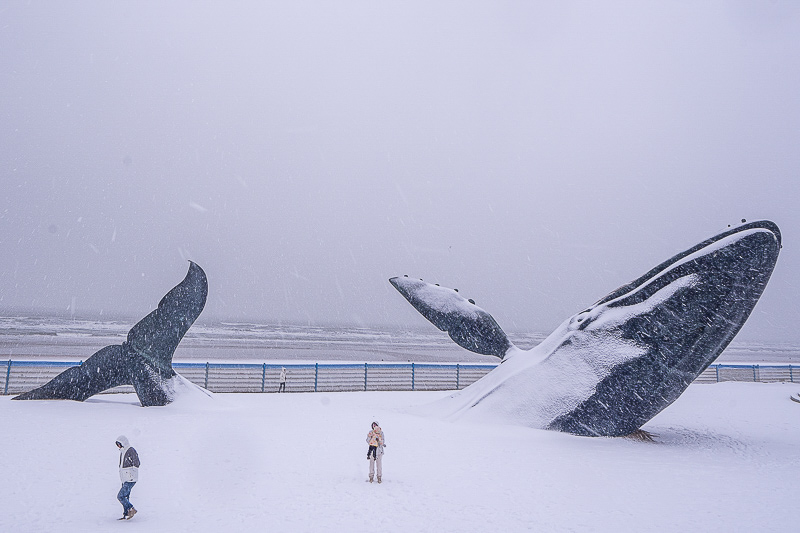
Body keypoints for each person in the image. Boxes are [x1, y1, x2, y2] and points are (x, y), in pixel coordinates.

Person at [116, 435, 140, 520]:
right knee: (125, 496)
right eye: (117, 444)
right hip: (125, 478)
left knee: (120, 496)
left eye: (119, 444)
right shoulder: (123, 451)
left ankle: (131, 508)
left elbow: (136, 463)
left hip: (130, 478)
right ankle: (126, 513)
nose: (118, 446)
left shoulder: (130, 450)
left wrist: (131, 473)